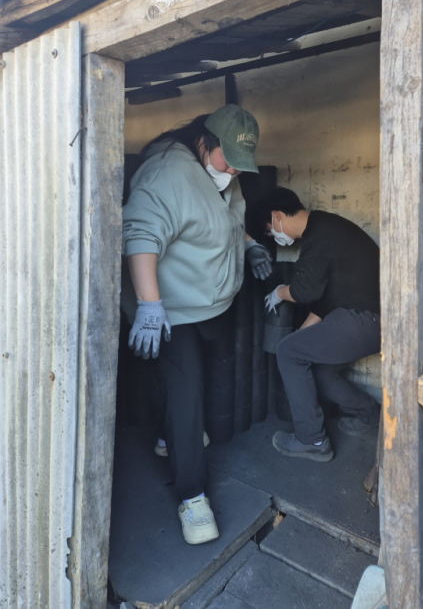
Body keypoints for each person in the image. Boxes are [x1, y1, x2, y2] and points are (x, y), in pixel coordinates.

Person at [121, 105, 272, 545]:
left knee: (184, 385)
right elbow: (140, 235)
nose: (233, 171)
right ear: (204, 142)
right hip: (172, 310)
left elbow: (229, 220)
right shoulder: (167, 171)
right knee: (187, 396)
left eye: (239, 165)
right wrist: (150, 306)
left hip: (209, 305)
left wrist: (249, 245)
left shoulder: (223, 175)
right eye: (228, 161)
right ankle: (192, 497)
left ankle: (168, 436)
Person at [259, 187, 380, 462]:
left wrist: (279, 292)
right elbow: (327, 300)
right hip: (368, 319)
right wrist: (303, 334)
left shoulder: (319, 233)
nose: (274, 236)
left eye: (269, 230)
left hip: (365, 319)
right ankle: (371, 414)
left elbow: (304, 291)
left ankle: (311, 440)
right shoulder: (325, 229)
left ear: (277, 217)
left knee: (287, 351)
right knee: (320, 372)